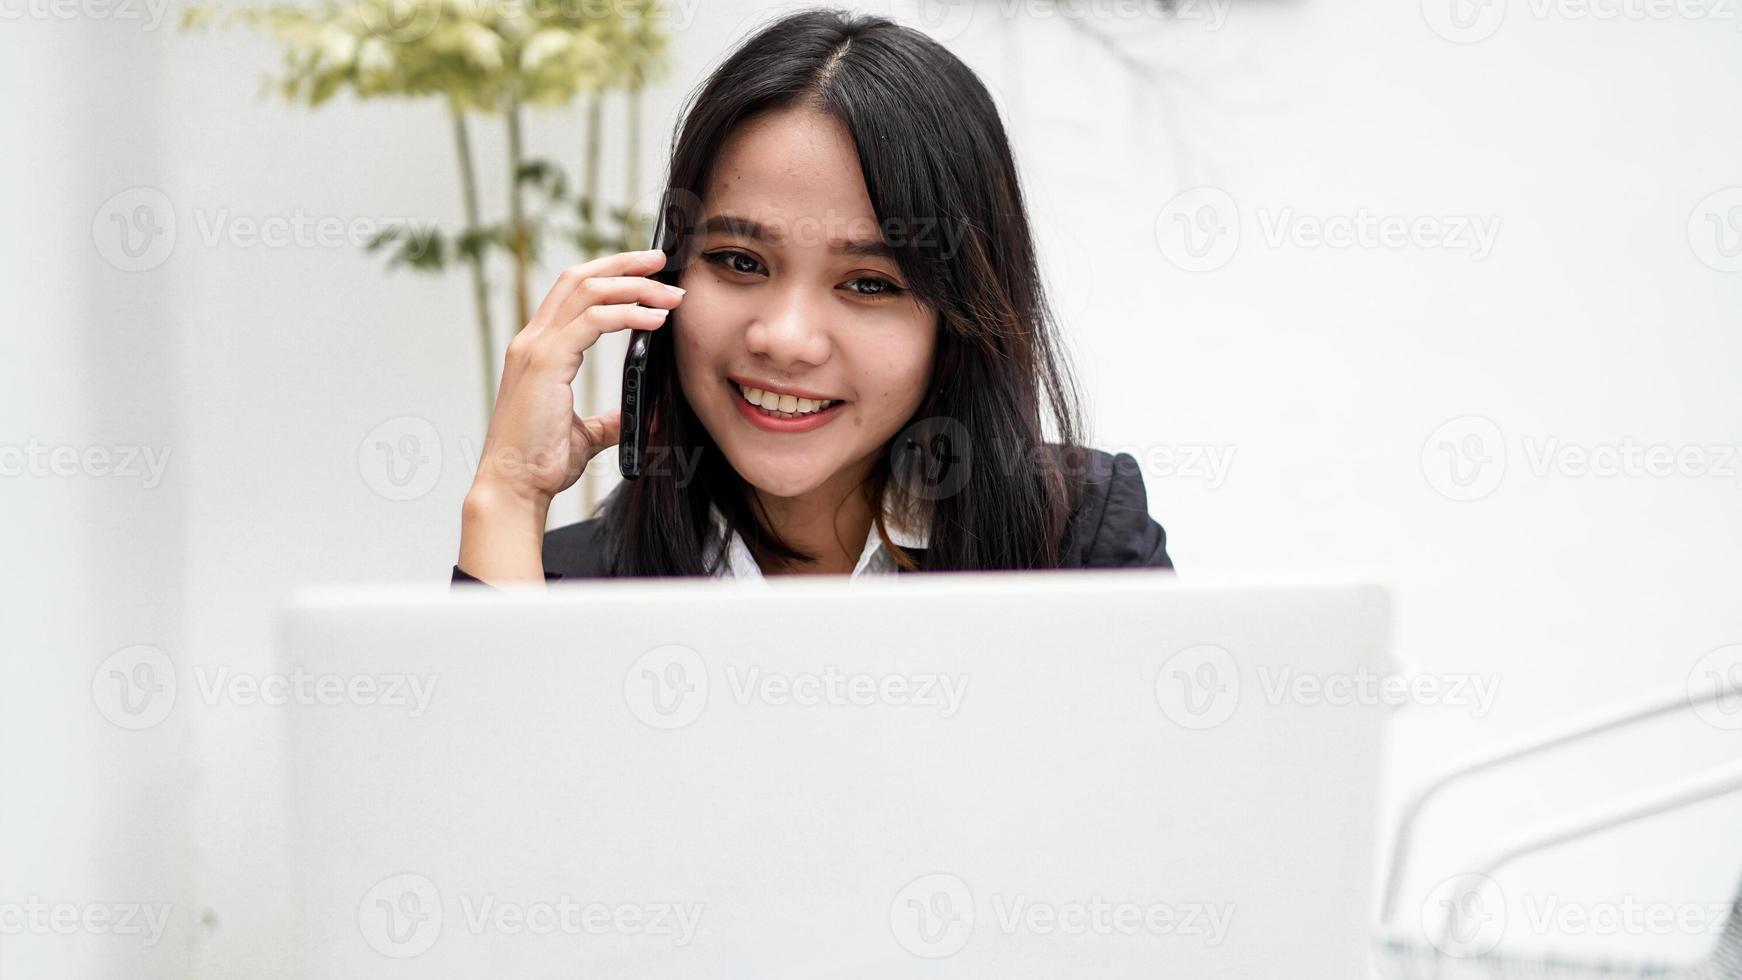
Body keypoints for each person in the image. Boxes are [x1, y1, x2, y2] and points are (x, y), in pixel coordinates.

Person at [453, 7, 1173, 587]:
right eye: (739, 261)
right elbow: (496, 767)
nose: (787, 339)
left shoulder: (1081, 538)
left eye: (868, 283)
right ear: (665, 280)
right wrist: (509, 499)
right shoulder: (556, 583)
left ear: (957, 321)